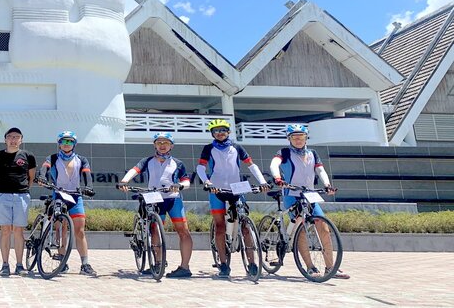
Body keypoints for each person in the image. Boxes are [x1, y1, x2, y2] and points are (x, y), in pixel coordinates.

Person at [270, 124, 349, 279]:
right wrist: (277, 178)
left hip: (310, 195)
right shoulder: (284, 152)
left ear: (306, 138)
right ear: (289, 139)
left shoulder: (312, 153)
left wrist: (327, 184)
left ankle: (330, 268)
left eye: (301, 137)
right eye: (294, 137)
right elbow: (274, 164)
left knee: (324, 228)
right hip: (292, 194)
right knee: (301, 228)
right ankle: (310, 267)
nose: (298, 140)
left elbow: (320, 170)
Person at [196, 119, 269, 279]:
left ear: (228, 132)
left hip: (237, 189)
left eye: (223, 130)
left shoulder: (237, 147)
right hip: (216, 189)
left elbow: (251, 165)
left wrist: (263, 182)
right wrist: (207, 182)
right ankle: (223, 264)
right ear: (212, 134)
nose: (220, 133)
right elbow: (200, 167)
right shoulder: (208, 148)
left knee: (245, 226)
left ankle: (252, 263)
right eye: (216, 131)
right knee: (220, 226)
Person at [118, 132, 194, 278]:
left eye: (166, 143)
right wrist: (124, 181)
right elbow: (135, 170)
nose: (162, 145)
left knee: (183, 231)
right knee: (154, 231)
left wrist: (180, 185)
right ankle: (158, 264)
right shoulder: (147, 161)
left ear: (171, 146)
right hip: (154, 198)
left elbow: (186, 181)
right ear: (154, 145)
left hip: (173, 199)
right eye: (159, 143)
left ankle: (185, 267)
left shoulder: (178, 163)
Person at [36, 131, 96, 276]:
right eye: (64, 141)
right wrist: (42, 177)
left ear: (74, 144)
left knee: (80, 231)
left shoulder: (81, 159)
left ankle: (85, 264)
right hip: (59, 195)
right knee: (60, 228)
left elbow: (87, 175)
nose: (67, 144)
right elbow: (44, 168)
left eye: (70, 142)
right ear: (59, 144)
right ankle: (62, 261)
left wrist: (89, 187)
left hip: (75, 196)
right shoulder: (52, 158)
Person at [0, 127, 36, 276]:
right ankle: (5, 265)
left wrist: (23, 190)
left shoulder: (28, 156)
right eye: (10, 137)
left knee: (18, 231)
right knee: (5, 230)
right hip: (3, 196)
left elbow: (31, 177)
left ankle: (19, 265)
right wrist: (4, 190)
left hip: (21, 196)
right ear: (5, 139)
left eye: (16, 137)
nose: (13, 140)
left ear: (21, 140)